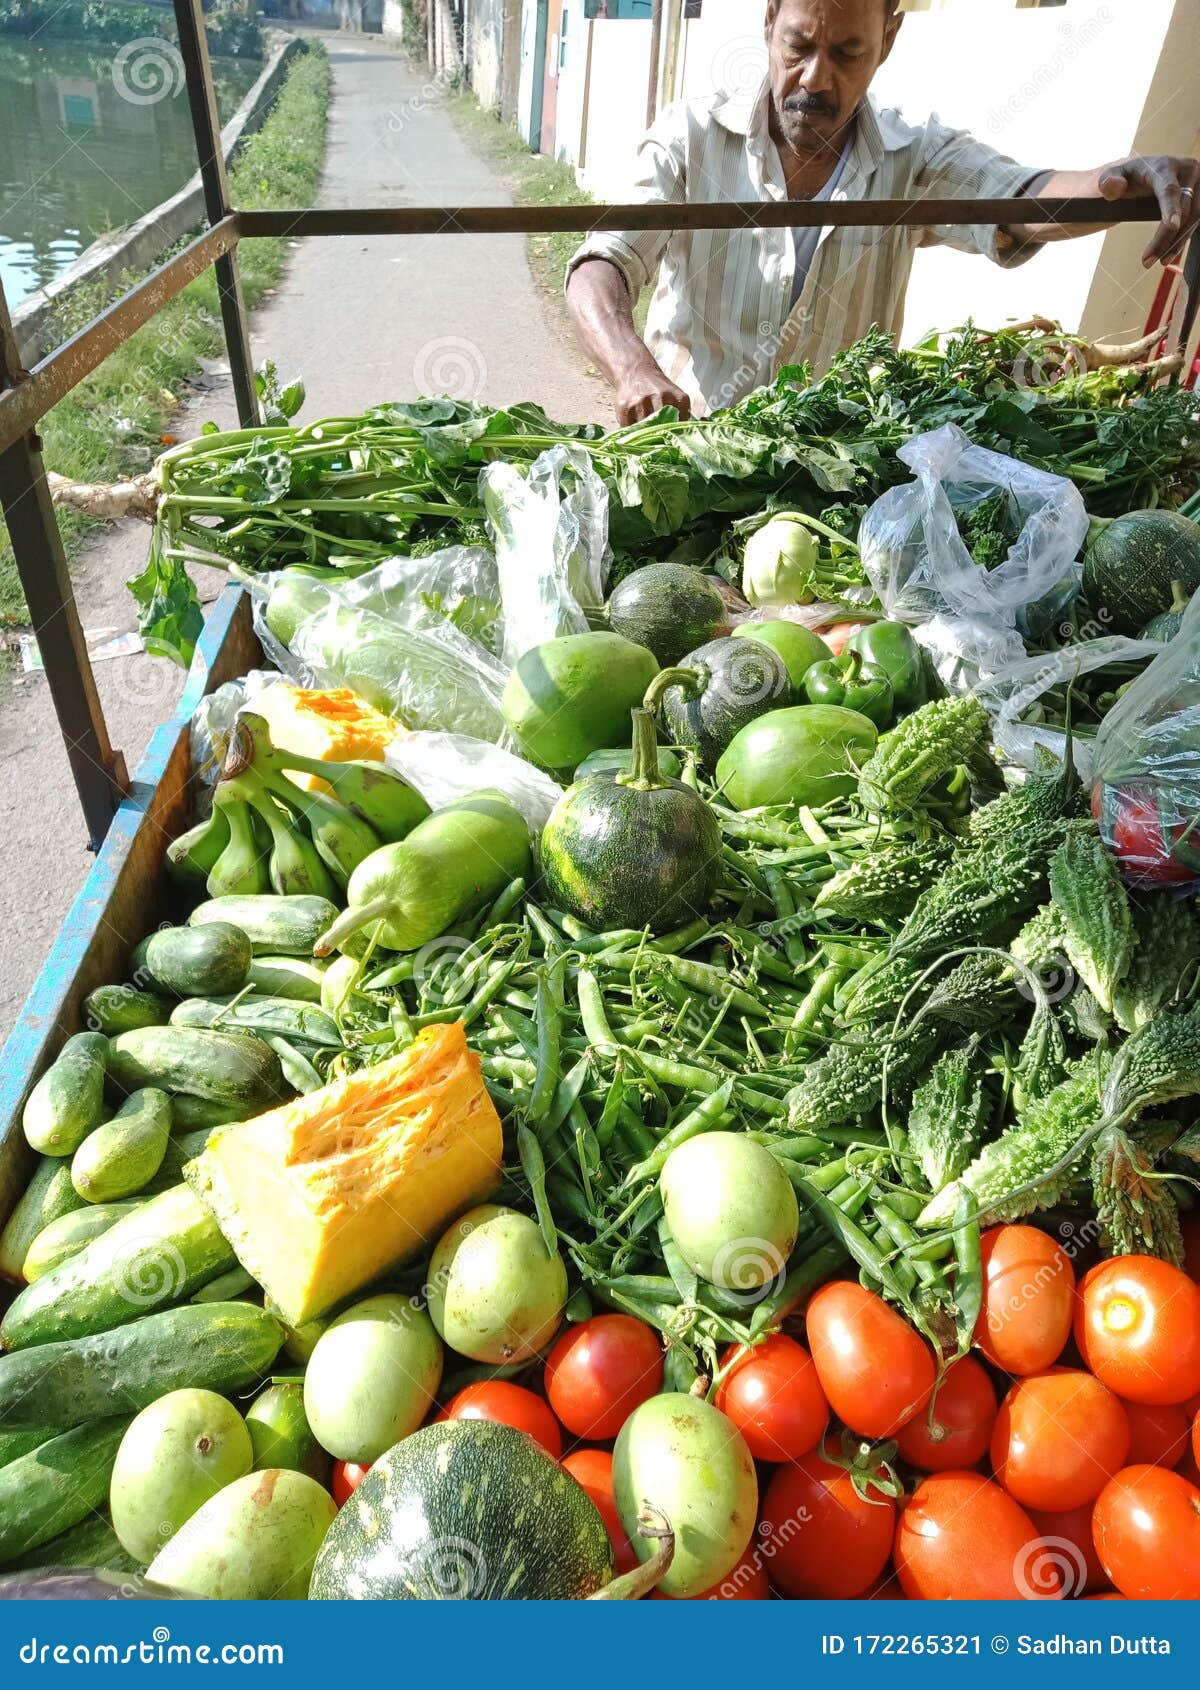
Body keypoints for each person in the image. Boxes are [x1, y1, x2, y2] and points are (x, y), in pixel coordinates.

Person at [566, 0, 1200, 423]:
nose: (815, 78)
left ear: (888, 41)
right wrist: (633, 368)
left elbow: (1023, 199)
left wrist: (1124, 180)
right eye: (799, 45)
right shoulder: (691, 139)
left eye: (847, 54)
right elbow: (602, 262)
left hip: (828, 479)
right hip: (683, 450)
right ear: (768, 21)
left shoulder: (915, 157)